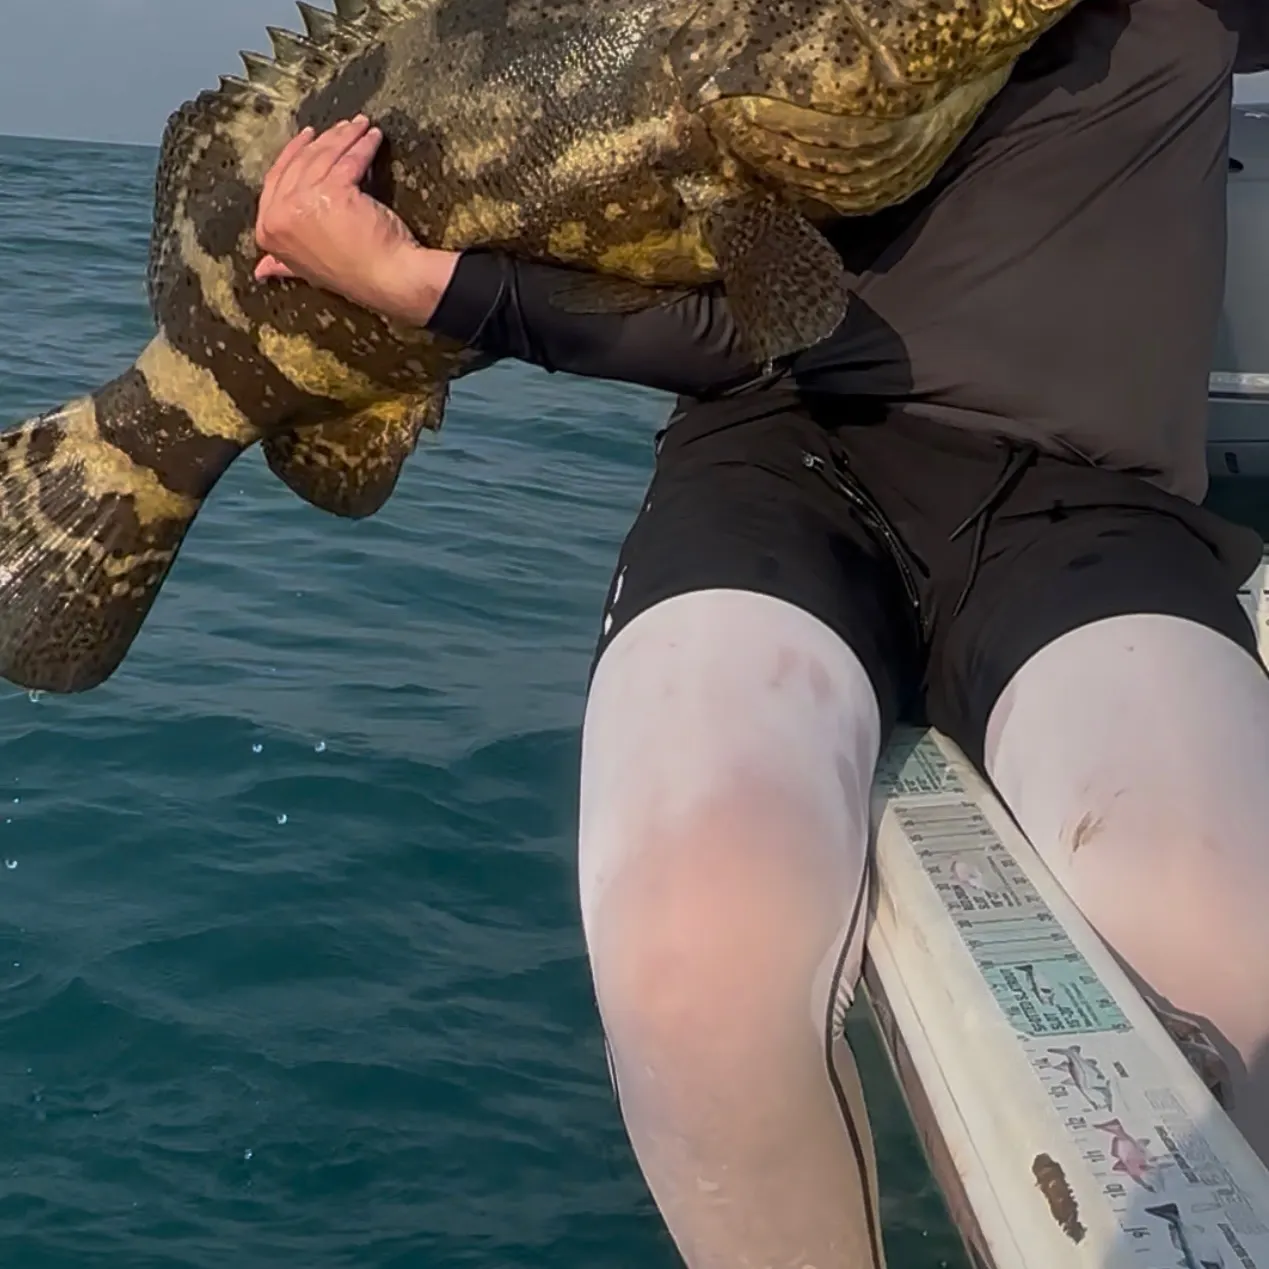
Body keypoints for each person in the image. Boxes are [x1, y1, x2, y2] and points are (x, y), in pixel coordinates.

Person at [255, 2, 1269, 1264]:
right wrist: (425, 286)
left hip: (1090, 495)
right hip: (773, 460)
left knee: (1227, 964)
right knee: (695, 968)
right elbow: (736, 304)